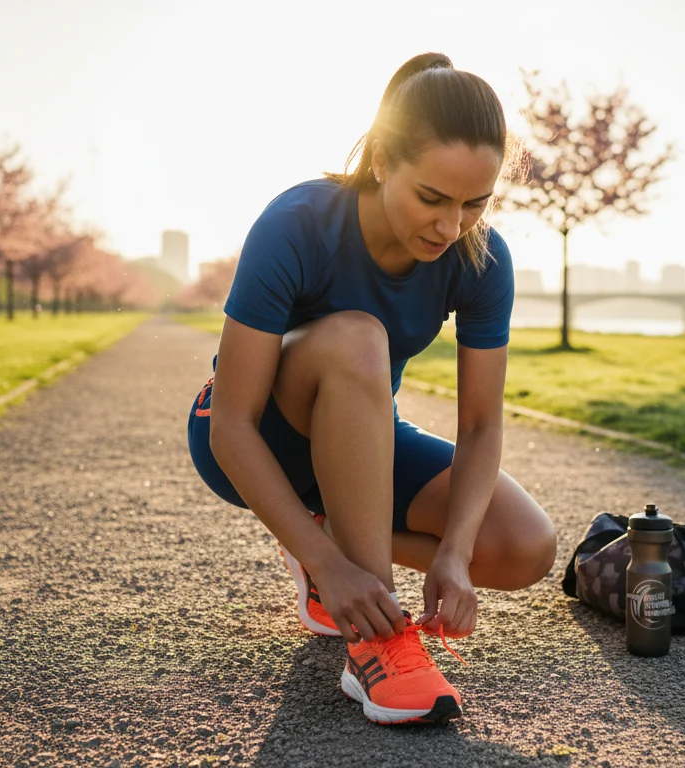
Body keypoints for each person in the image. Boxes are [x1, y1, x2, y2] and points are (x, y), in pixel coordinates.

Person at [186, 52, 557, 726]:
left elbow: (480, 427)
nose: (451, 228)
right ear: (384, 158)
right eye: (432, 198)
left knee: (522, 545)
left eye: (475, 202)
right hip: (252, 441)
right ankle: (376, 643)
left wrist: (453, 553)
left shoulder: (481, 259)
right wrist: (329, 565)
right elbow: (231, 425)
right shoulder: (297, 223)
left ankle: (331, 534)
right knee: (358, 335)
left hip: (360, 441)